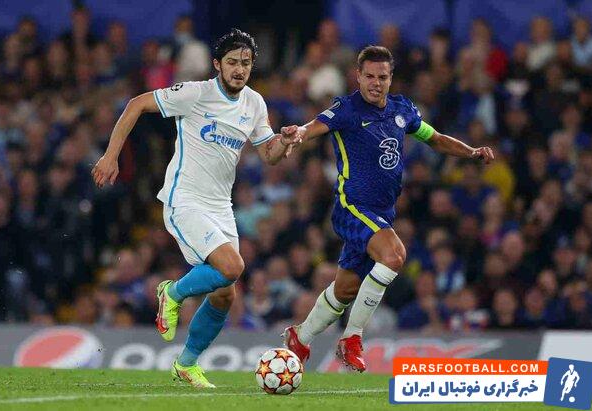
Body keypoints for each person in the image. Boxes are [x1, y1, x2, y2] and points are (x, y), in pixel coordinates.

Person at [92, 29, 299, 388]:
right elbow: (136, 104)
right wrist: (111, 156)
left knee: (225, 292)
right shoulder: (195, 93)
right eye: (232, 62)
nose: (239, 69)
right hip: (185, 199)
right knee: (232, 267)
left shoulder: (254, 103)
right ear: (217, 64)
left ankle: (186, 364)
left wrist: (284, 142)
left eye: (245, 63)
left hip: (221, 207)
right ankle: (171, 293)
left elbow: (269, 154)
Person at [283, 45, 494, 372]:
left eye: (382, 77)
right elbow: (312, 127)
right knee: (394, 255)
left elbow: (435, 138)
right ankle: (352, 337)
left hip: (382, 213)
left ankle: (301, 336)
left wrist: (470, 152)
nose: (375, 83)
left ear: (391, 78)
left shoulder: (402, 110)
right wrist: (296, 134)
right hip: (352, 207)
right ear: (358, 76)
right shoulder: (347, 109)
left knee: (345, 290)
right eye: (369, 76)